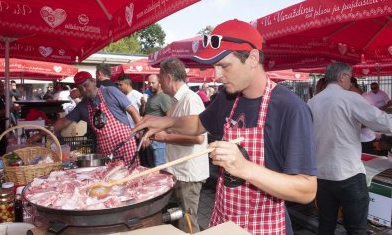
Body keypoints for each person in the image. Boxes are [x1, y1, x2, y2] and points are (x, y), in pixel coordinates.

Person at [132, 19, 317, 234]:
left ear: (252, 58)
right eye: (214, 67)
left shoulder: (290, 108)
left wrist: (245, 168)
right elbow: (199, 124)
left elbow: (307, 190)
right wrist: (168, 122)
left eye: (224, 66)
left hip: (264, 226)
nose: (217, 76)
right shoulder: (228, 99)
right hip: (224, 221)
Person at [307, 62, 392, 234]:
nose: (350, 81)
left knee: (326, 225)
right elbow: (381, 122)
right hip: (347, 174)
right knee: (356, 228)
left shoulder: (312, 102)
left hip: (322, 175)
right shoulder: (350, 98)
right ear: (342, 77)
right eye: (349, 76)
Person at [152, 58, 209, 233]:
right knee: (182, 216)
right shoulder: (177, 100)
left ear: (168, 78)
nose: (160, 85)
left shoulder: (190, 99)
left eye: (161, 80)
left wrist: (166, 137)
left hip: (188, 172)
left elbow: (199, 138)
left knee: (188, 220)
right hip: (180, 169)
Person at [53, 71, 141, 165]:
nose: (84, 90)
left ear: (94, 81)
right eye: (80, 88)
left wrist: (141, 131)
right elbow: (63, 122)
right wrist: (43, 133)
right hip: (106, 152)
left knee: (132, 175)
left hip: (126, 146)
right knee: (109, 178)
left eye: (86, 85)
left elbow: (132, 110)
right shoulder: (83, 106)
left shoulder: (110, 91)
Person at [139, 74, 171, 167]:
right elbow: (142, 114)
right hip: (149, 138)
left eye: (153, 83)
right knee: (150, 168)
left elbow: (169, 119)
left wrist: (156, 132)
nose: (150, 85)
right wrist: (143, 104)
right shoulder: (151, 97)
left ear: (159, 83)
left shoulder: (163, 97)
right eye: (149, 83)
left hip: (158, 140)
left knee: (159, 168)